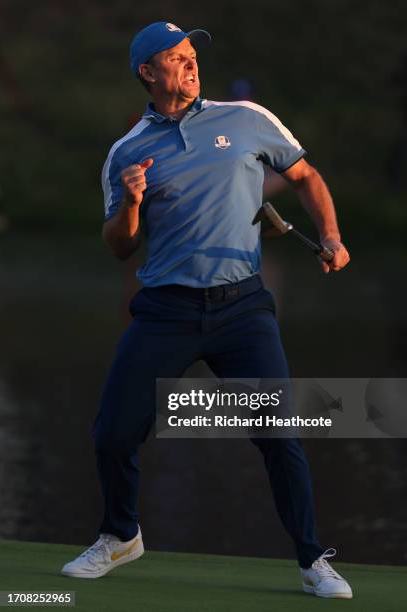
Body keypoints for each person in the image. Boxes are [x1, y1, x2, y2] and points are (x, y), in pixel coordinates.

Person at [61, 22, 352, 599]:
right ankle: (120, 535)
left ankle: (313, 559)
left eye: (192, 55)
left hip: (242, 307)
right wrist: (133, 203)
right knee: (113, 434)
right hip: (166, 309)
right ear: (148, 72)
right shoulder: (127, 152)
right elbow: (119, 244)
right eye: (176, 58)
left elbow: (304, 175)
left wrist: (333, 236)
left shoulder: (246, 118)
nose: (190, 65)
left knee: (278, 435)